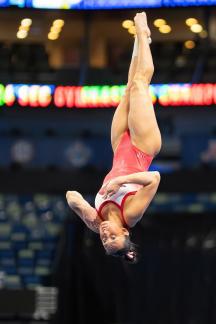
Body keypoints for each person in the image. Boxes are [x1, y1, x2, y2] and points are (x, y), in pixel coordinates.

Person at [66, 12, 162, 263]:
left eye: (104, 240)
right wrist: (123, 182)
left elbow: (71, 195)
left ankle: (139, 42)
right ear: (125, 231)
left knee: (129, 87)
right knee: (141, 83)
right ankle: (142, 31)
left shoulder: (97, 220)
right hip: (143, 148)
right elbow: (154, 178)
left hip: (119, 146)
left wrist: (87, 214)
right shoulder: (131, 213)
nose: (106, 236)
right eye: (113, 238)